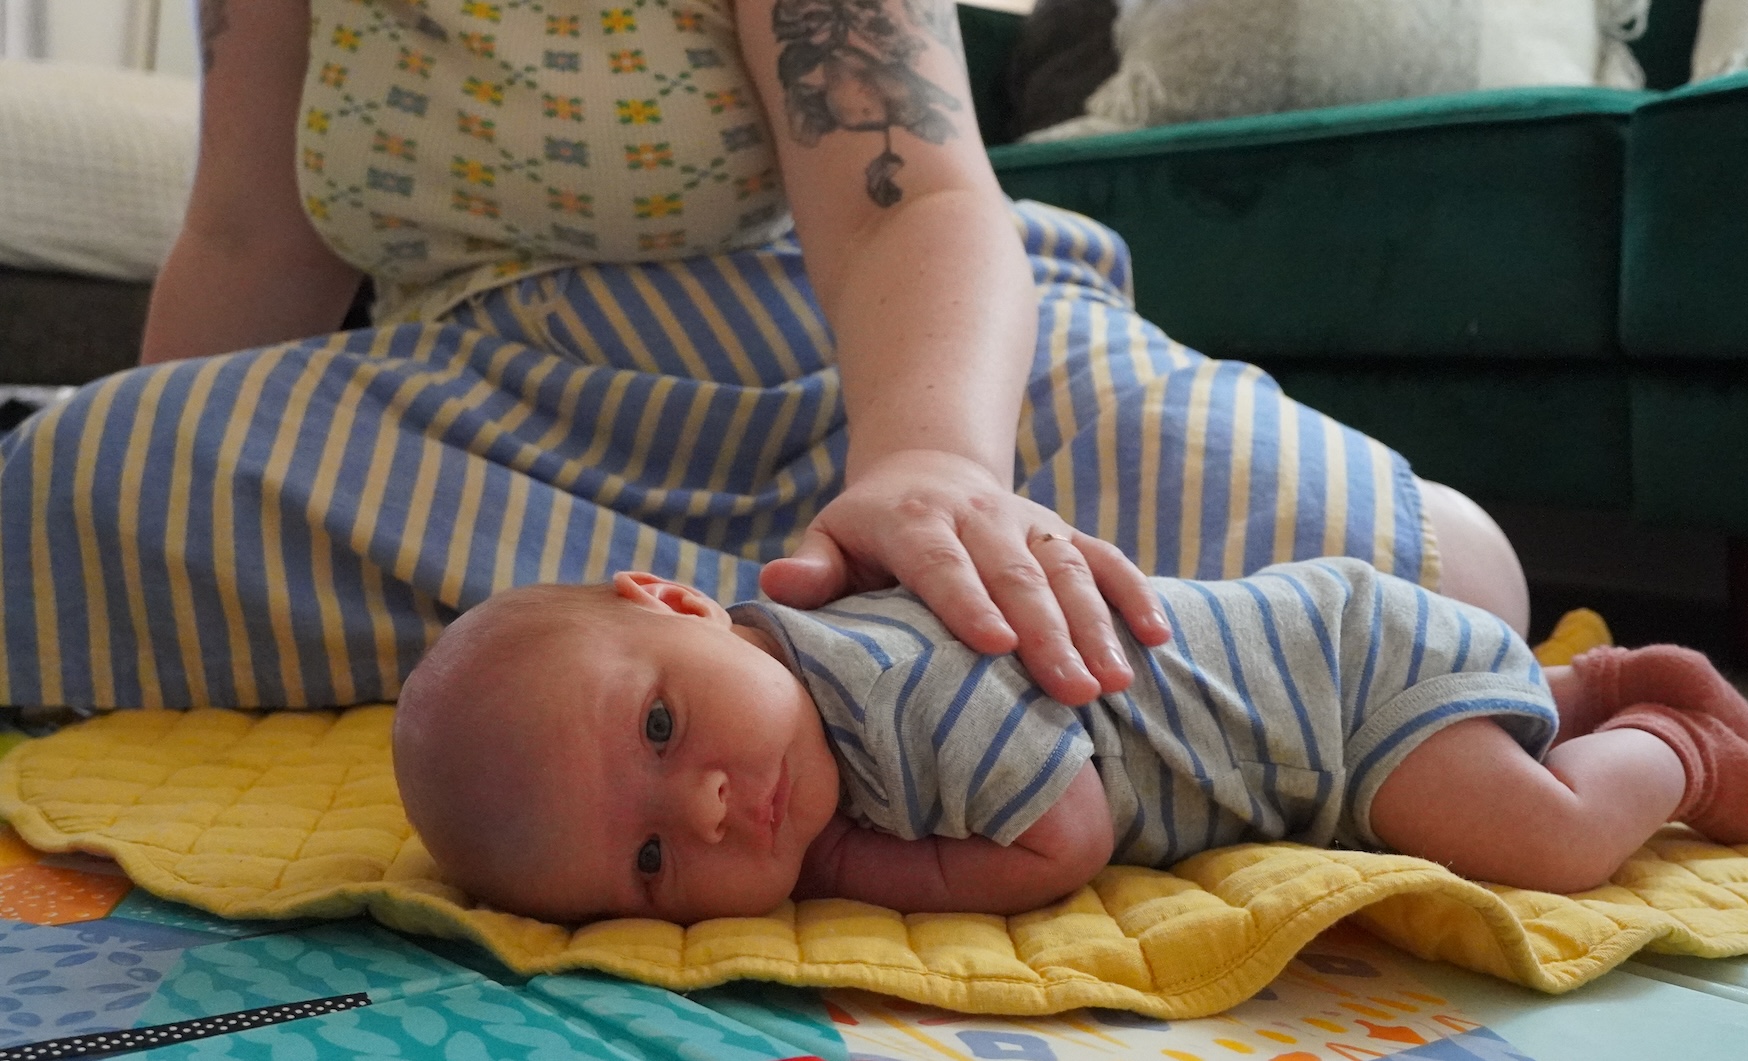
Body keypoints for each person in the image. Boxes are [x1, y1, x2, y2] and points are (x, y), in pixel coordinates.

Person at [0, 0, 1524, 712]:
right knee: (65, 480)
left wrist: (928, 468)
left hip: (861, 371)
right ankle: (846, 683)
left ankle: (657, 675)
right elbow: (252, 244)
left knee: (1441, 582)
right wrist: (133, 491)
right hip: (490, 419)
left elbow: (912, 205)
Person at [391, 564, 1748, 924]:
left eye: (659, 723)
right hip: (1340, 670)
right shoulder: (812, 712)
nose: (703, 804)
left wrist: (872, 864)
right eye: (646, 858)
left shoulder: (888, 685)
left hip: (1338, 692)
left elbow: (1061, 835)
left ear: (684, 602)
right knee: (1484, 744)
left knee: (1548, 844)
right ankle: (1567, 687)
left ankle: (1660, 743)